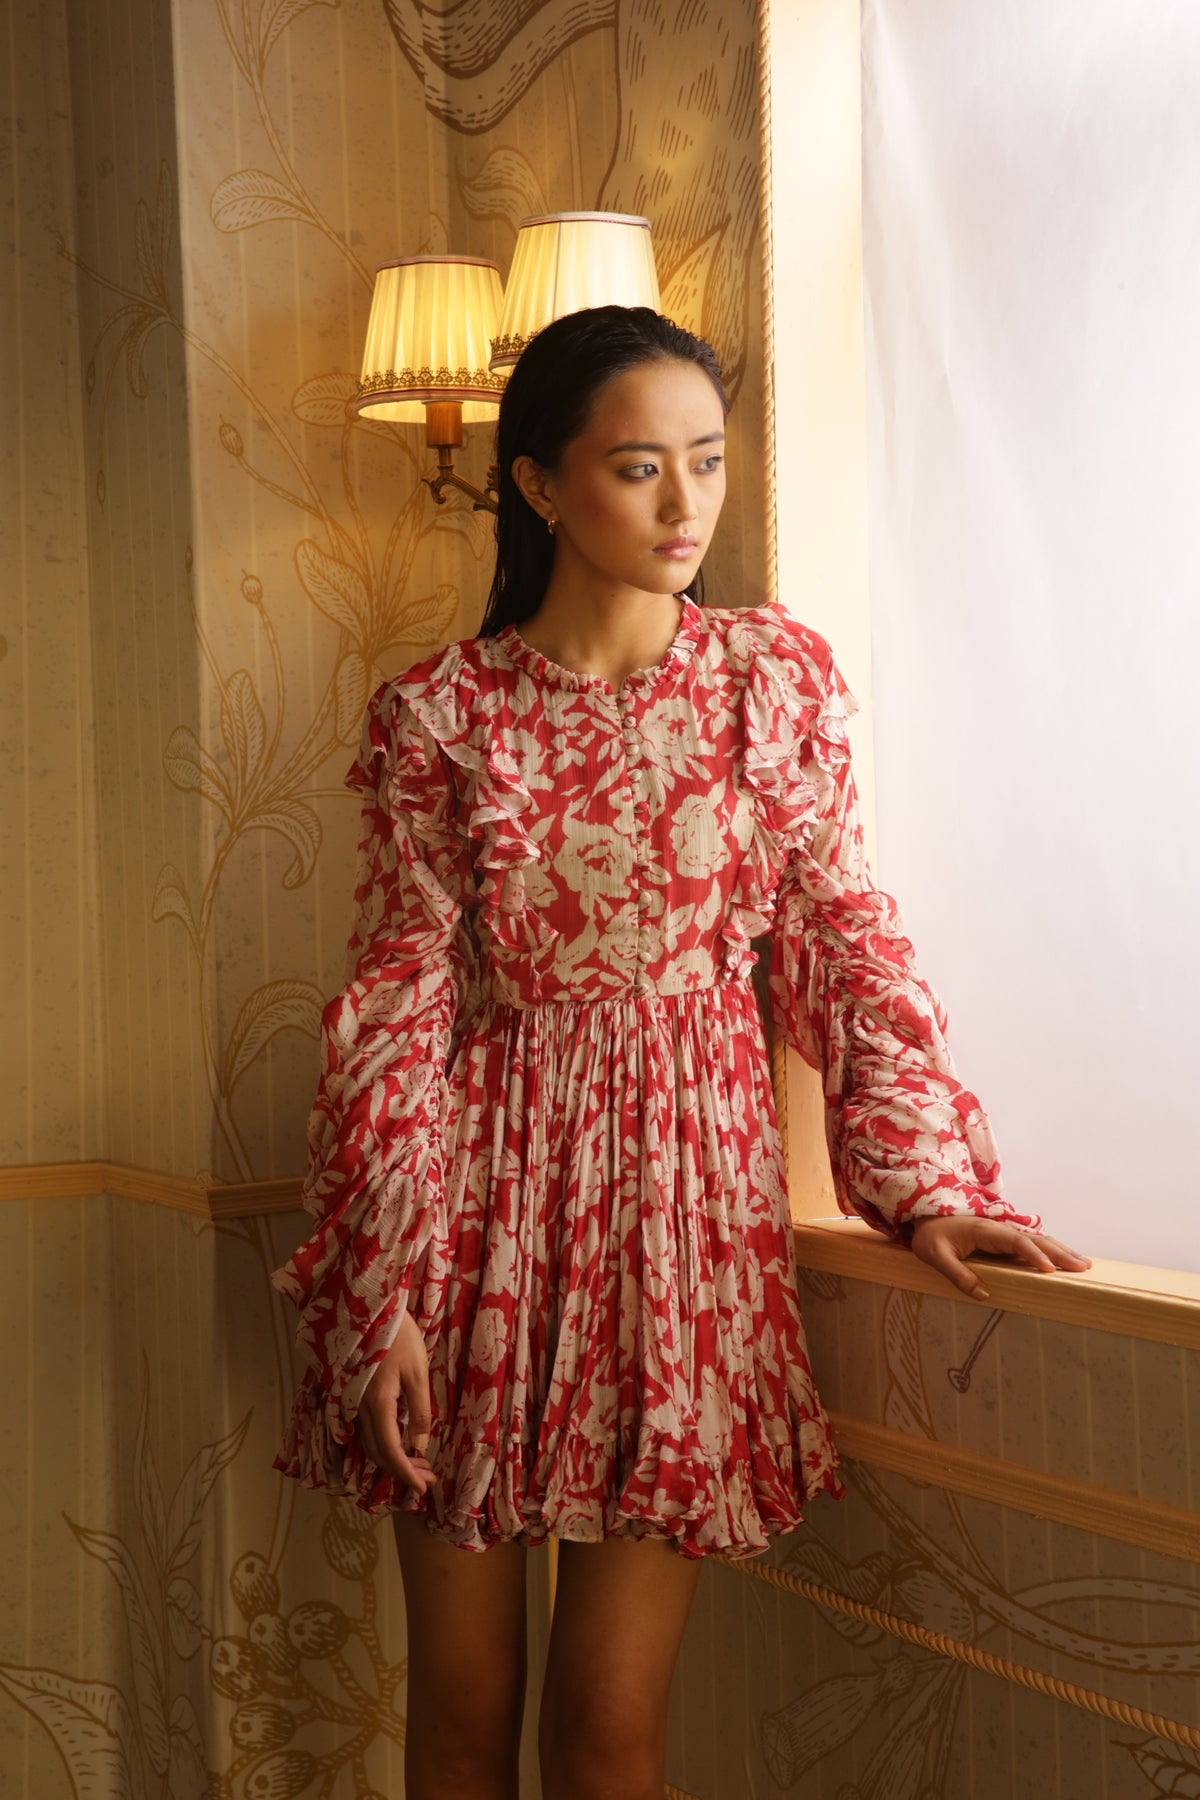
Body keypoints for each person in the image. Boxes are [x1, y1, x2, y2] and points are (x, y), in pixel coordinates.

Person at [271, 305, 1091, 1800]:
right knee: (459, 1720)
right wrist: (385, 1283)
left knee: (609, 1730)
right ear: (536, 483)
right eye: (641, 467)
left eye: (706, 464)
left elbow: (841, 939)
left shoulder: (764, 685)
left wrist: (921, 1179)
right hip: (471, 1237)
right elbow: (398, 1003)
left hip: (682, 1234)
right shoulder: (444, 719)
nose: (685, 506)